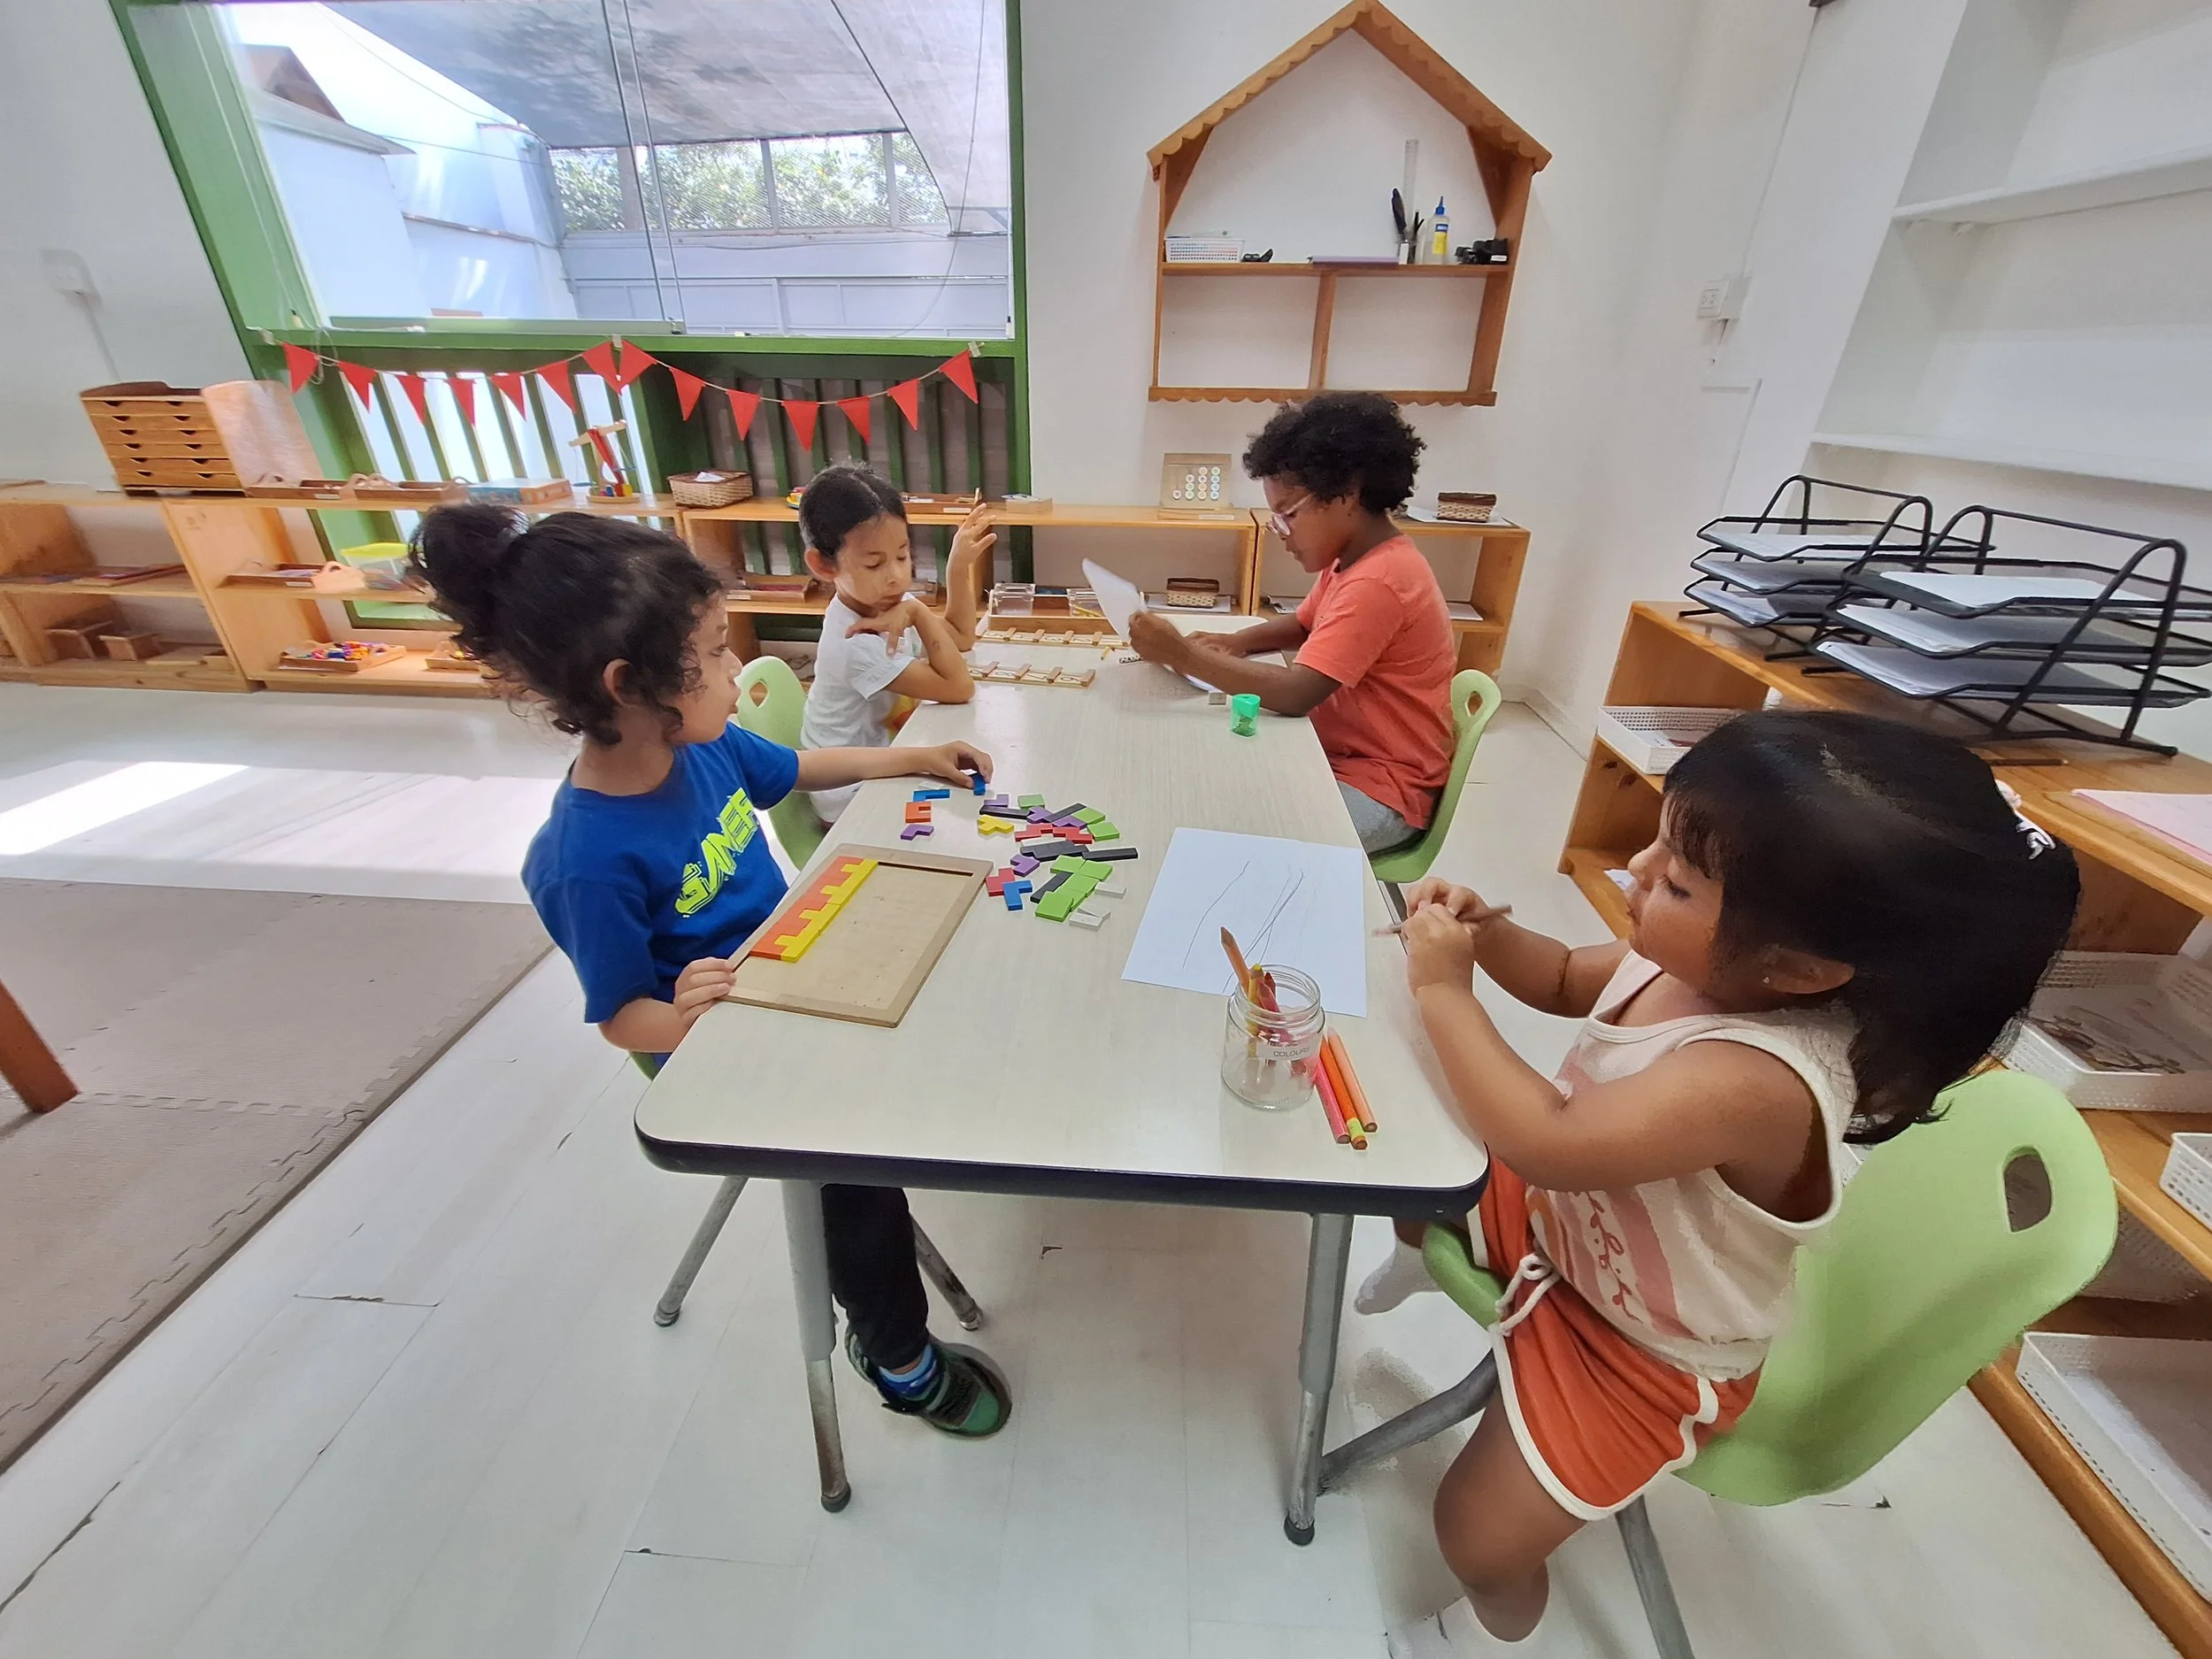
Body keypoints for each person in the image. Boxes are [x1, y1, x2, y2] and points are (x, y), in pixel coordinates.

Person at [1376, 711, 2078, 1655]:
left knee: (1475, 1536)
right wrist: (1487, 932)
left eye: (1675, 880)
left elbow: (1549, 1141)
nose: (1635, 870)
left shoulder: (1758, 1079)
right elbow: (1561, 977)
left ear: (1798, 968)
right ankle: (1423, 1257)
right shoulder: (1697, 958)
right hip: (1572, 1222)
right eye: (1658, 845)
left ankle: (1492, 1631)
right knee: (1418, 1164)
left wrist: (1442, 991)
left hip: (1640, 1340)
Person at [411, 503, 1014, 1438]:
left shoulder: (703, 745)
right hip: (713, 1046)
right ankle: (897, 1357)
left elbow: (797, 769)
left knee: (955, 988)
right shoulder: (583, 859)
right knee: (851, 1171)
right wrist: (684, 1018)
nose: (738, 672)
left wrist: (914, 755)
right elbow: (624, 1018)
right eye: (713, 654)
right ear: (629, 685)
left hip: (788, 975)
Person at [1126, 392, 1454, 855]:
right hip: (1343, 758)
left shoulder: (1379, 581)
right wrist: (1236, 642)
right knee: (1211, 786)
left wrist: (1184, 655)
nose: (1281, 534)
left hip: (1382, 788)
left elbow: (1297, 694)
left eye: (1288, 515)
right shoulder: (1355, 560)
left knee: (1232, 838)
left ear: (1347, 494)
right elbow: (1303, 625)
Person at [798, 464, 995, 824]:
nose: (896, 577)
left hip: (884, 758)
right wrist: (917, 611)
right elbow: (959, 687)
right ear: (824, 566)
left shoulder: (884, 603)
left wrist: (956, 568)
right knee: (968, 813)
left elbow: (959, 636)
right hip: (848, 795)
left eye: (903, 557)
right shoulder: (854, 641)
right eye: (874, 565)